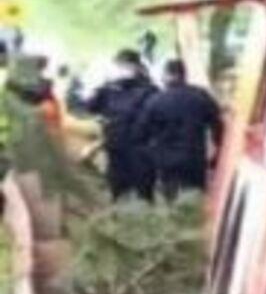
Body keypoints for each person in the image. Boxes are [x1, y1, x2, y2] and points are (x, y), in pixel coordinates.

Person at [75, 49, 156, 201]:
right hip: (122, 147)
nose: (121, 69)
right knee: (125, 189)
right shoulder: (111, 89)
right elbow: (90, 106)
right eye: (119, 65)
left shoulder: (146, 90)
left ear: (136, 66)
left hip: (133, 147)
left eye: (124, 65)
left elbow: (89, 106)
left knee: (135, 190)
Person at [137, 58, 224, 199]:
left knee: (171, 200)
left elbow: (140, 134)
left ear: (165, 75)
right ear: (184, 75)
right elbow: (218, 125)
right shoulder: (201, 96)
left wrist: (151, 156)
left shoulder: (155, 101)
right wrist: (218, 151)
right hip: (194, 159)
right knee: (195, 199)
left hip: (167, 162)